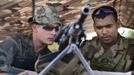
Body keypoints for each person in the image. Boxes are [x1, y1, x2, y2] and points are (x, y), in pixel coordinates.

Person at [61, 6, 134, 75]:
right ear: (94, 28)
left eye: (108, 26)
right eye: (99, 27)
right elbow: (67, 71)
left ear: (117, 24)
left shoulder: (131, 48)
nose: (104, 32)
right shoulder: (87, 45)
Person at [0, 4, 66, 75]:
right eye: (48, 27)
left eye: (56, 29)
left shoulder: (48, 56)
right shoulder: (14, 43)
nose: (54, 33)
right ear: (34, 27)